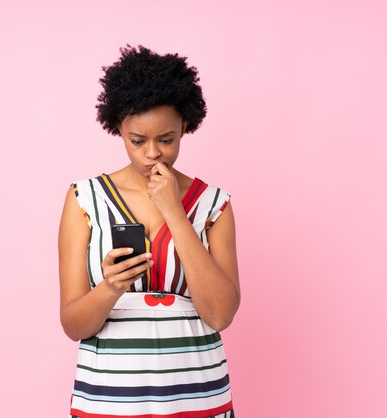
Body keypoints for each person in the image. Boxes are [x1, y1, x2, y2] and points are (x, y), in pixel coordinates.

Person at [58, 44, 241, 418]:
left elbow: (221, 314)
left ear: (185, 127)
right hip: (108, 401)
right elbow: (73, 325)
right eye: (137, 141)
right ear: (118, 129)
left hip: (199, 399)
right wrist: (110, 287)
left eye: (167, 140)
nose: (152, 154)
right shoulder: (84, 199)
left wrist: (174, 211)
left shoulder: (214, 205)